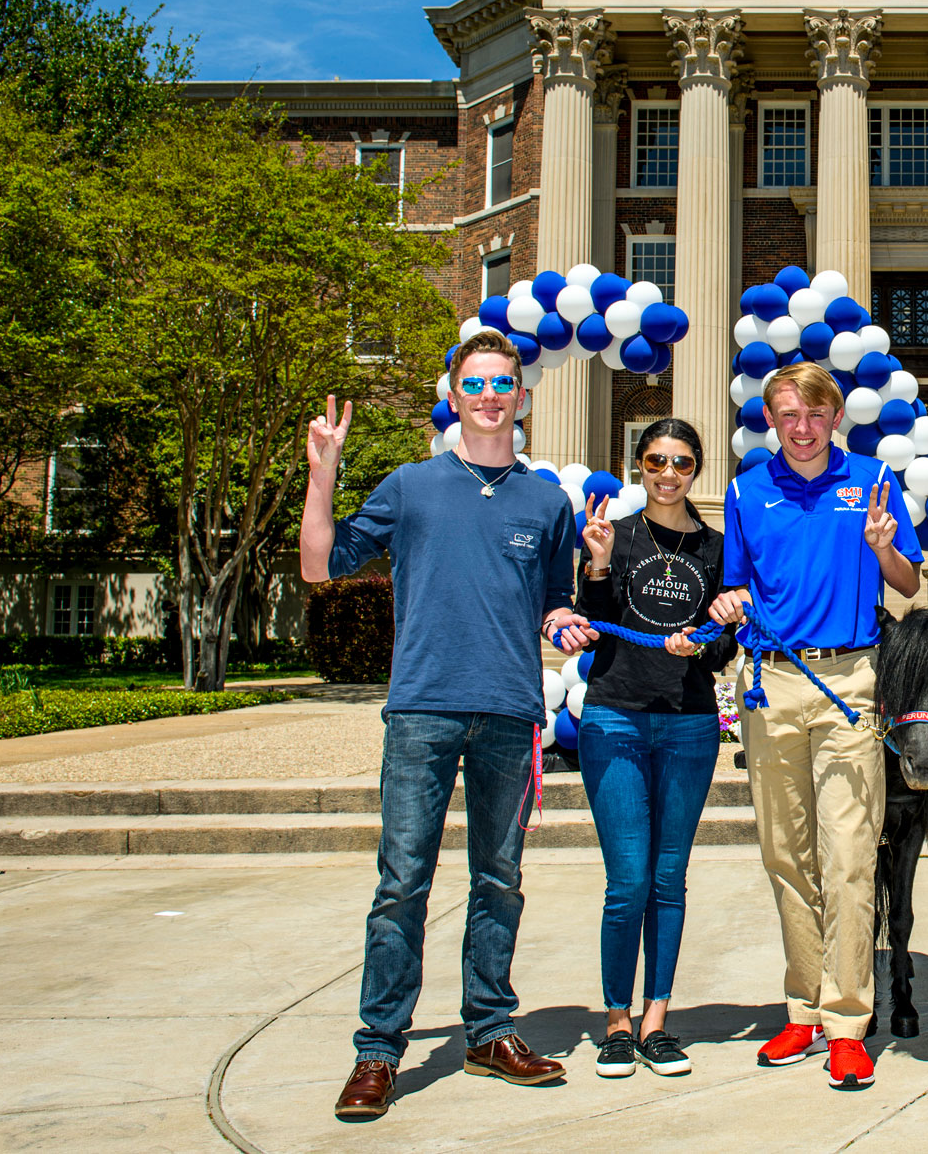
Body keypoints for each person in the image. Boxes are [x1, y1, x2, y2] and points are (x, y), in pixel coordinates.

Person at [301, 330, 592, 1122]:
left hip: (508, 711)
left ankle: (489, 1030)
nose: (491, 395)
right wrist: (321, 477)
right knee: (402, 883)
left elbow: (554, 600)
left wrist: (565, 619)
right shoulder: (411, 486)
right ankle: (377, 1050)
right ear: (455, 394)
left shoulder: (545, 501)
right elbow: (320, 565)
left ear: (521, 398)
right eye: (476, 383)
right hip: (423, 709)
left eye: (504, 383)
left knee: (498, 882)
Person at [707, 361, 925, 1091]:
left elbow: (908, 583)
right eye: (786, 415)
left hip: (850, 681)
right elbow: (736, 583)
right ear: (771, 420)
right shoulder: (745, 488)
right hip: (770, 681)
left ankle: (845, 1018)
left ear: (835, 416)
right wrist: (728, 603)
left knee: (849, 854)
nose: (800, 428)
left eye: (814, 413)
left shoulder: (872, 478)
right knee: (785, 854)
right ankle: (801, 1004)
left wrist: (882, 545)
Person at [574, 418, 739, 1080]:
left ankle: (656, 1020)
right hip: (615, 717)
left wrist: (709, 637)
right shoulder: (617, 532)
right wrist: (597, 563)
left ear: (696, 468)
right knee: (629, 881)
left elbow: (725, 649)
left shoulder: (717, 547)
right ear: (638, 464)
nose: (667, 472)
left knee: (668, 881)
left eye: (681, 462)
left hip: (689, 724)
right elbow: (591, 626)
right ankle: (615, 1019)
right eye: (655, 460)